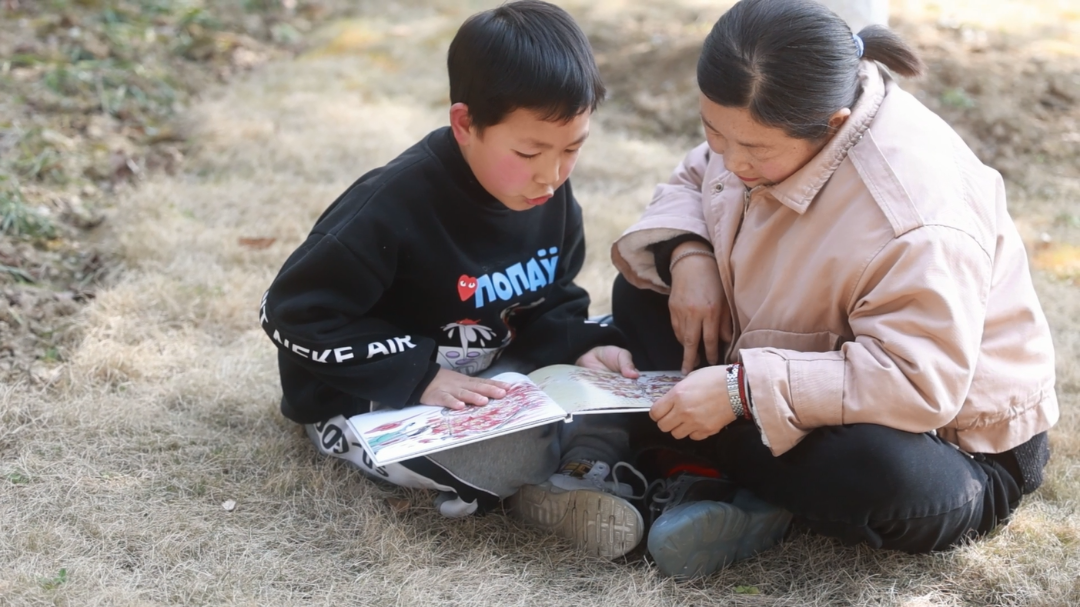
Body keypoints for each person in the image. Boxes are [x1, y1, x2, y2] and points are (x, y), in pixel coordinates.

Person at [610, 0, 1058, 578]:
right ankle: (722, 459)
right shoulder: (764, 118)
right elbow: (697, 172)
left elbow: (917, 383)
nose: (730, 159)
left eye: (755, 151)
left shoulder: (915, 217)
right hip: (787, 369)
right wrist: (688, 253)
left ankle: (673, 436)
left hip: (950, 448)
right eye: (712, 130)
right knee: (646, 291)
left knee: (875, 471)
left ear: (835, 125)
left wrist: (739, 393)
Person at [259, 0, 645, 558]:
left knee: (620, 369)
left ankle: (572, 472)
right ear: (465, 124)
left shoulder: (548, 195)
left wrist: (580, 346)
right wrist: (418, 375)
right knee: (504, 453)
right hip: (373, 396)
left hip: (481, 380)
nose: (552, 173)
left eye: (573, 148)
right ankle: (548, 477)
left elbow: (550, 296)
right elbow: (290, 311)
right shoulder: (389, 207)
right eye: (530, 150)